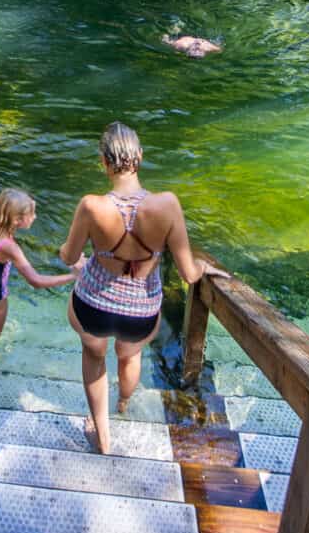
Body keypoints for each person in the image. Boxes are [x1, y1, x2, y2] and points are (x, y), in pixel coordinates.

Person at [59, 121, 229, 453]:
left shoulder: (92, 206)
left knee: (94, 356)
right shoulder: (167, 205)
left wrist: (77, 261)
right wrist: (205, 266)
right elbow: (189, 273)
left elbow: (70, 255)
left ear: (104, 163)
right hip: (140, 312)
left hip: (92, 306)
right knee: (129, 355)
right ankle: (123, 401)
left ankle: (102, 436)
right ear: (140, 157)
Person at [0, 188, 79, 373]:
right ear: (16, 220)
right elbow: (35, 281)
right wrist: (73, 276)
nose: (35, 217)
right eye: (32, 214)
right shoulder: (9, 247)